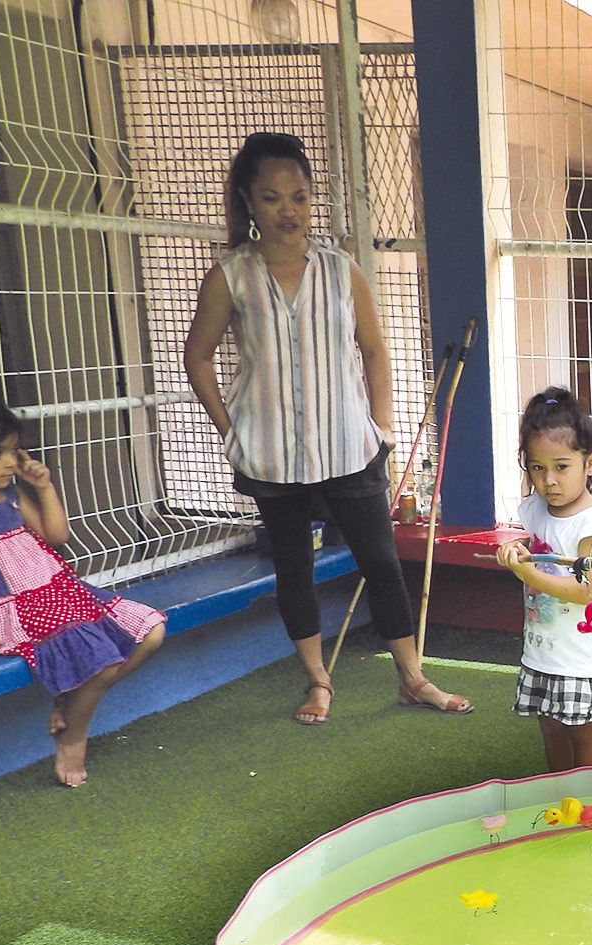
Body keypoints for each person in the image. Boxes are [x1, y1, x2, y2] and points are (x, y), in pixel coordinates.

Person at [184, 131, 469, 725]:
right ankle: (318, 682)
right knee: (294, 569)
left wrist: (383, 429)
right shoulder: (232, 275)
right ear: (249, 203)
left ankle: (413, 679)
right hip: (269, 456)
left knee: (383, 565)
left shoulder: (341, 271)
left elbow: (373, 350)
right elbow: (198, 356)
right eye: (271, 198)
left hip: (349, 447)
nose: (289, 210)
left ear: (314, 200)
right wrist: (229, 427)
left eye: (299, 196)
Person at [0, 393, 166, 786]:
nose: (12, 462)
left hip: (55, 592)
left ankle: (71, 701)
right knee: (102, 659)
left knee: (152, 633)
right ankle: (74, 736)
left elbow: (55, 535)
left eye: (13, 450)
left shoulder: (9, 493)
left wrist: (43, 488)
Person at [495, 387, 592, 771]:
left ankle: (589, 807)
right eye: (537, 468)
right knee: (551, 731)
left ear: (590, 463)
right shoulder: (538, 509)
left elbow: (587, 590)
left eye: (561, 466)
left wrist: (527, 570)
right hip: (544, 651)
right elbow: (538, 546)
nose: (548, 480)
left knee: (582, 736)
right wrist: (518, 552)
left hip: (582, 658)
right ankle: (559, 796)